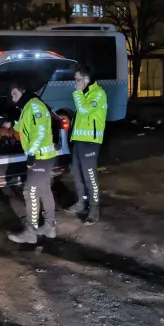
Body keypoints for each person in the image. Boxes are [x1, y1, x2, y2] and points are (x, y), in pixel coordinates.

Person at [5, 84, 57, 244]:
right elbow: (23, 127)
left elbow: (40, 133)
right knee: (44, 190)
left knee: (30, 192)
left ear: (23, 92)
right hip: (45, 156)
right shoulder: (28, 107)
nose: (13, 98)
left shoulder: (34, 106)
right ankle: (49, 227)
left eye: (14, 94)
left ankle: (31, 231)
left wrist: (31, 156)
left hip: (40, 157)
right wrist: (9, 126)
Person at [65, 65, 108, 225]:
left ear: (86, 80)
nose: (75, 83)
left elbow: (83, 111)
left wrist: (77, 92)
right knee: (77, 174)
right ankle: (81, 203)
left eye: (77, 80)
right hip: (79, 141)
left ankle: (94, 210)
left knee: (90, 177)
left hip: (90, 142)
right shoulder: (86, 93)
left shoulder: (98, 94)